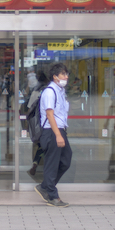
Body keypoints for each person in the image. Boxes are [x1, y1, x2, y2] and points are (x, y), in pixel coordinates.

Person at [34, 63, 71, 208]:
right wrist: (58, 135)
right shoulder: (50, 91)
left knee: (66, 160)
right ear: (55, 77)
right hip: (51, 131)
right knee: (52, 164)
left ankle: (45, 187)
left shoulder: (60, 91)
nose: (66, 77)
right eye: (63, 74)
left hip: (60, 130)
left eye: (66, 74)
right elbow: (50, 115)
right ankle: (52, 195)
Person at [26, 70, 49, 177]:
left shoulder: (36, 91)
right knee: (45, 145)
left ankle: (35, 163)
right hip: (47, 122)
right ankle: (40, 165)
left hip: (37, 123)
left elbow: (30, 107)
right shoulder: (49, 90)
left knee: (39, 144)